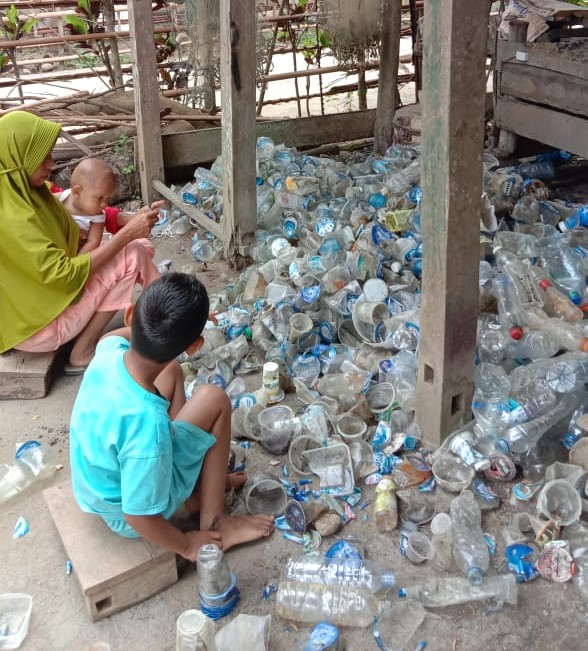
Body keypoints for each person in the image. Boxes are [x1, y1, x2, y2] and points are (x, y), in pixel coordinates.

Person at [70, 273, 275, 559]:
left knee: (171, 370)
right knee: (215, 400)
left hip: (97, 484)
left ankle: (192, 487)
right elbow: (137, 517)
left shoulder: (107, 352)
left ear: (129, 315)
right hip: (124, 513)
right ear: (194, 347)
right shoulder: (148, 429)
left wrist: (162, 329)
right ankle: (217, 523)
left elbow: (113, 337)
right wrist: (187, 545)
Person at [0, 110, 162, 375]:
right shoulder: (12, 218)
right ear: (19, 159)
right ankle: (85, 350)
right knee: (132, 253)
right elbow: (62, 275)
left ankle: (160, 311)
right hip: (39, 328)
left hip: (28, 319)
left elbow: (77, 210)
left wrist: (129, 219)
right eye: (43, 158)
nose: (51, 164)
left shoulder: (21, 193)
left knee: (137, 248)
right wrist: (126, 235)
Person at [56, 158, 129, 254]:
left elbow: (93, 243)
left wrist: (76, 263)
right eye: (100, 198)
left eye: (107, 198)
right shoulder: (61, 198)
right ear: (77, 192)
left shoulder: (97, 217)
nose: (104, 204)